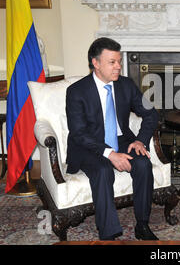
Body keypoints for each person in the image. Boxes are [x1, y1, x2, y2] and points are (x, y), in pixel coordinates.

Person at [65, 37, 160, 241]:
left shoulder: (126, 85)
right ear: (95, 63)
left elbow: (152, 113)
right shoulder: (76, 91)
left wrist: (140, 140)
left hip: (121, 139)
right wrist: (110, 154)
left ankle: (142, 225)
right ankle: (108, 234)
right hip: (88, 146)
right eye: (112, 62)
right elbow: (78, 133)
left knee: (143, 164)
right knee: (103, 170)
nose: (118, 67)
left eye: (119, 61)